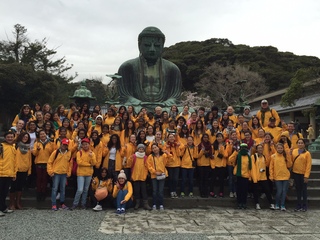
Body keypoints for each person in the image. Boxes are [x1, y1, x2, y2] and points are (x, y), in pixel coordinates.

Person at [118, 26, 182, 109]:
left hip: (163, 108)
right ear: (139, 45)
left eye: (157, 45)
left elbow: (175, 97)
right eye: (147, 45)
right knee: (123, 108)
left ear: (162, 46)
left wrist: (165, 104)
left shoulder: (172, 69)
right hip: (138, 107)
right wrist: (140, 103)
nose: (152, 49)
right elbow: (124, 96)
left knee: (185, 110)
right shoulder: (127, 67)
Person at [71, 138, 97, 210]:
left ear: (89, 145)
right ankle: (75, 204)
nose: (85, 146)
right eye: (83, 144)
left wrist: (91, 157)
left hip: (89, 173)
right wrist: (89, 165)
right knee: (80, 189)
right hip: (81, 173)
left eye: (86, 144)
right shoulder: (79, 153)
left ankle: (83, 204)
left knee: (86, 190)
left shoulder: (92, 153)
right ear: (81, 145)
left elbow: (94, 163)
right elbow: (79, 162)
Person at [47, 138, 72, 211]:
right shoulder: (55, 152)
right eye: (63, 144)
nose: (64, 146)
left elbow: (70, 164)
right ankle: (54, 204)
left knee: (63, 189)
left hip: (64, 173)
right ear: (60, 144)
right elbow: (49, 162)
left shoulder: (69, 153)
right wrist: (50, 172)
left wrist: (68, 172)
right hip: (56, 173)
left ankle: (62, 203)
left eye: (66, 145)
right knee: (54, 189)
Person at [10, 132, 31, 210]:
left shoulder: (28, 148)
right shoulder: (15, 146)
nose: (25, 138)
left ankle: (18, 203)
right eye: (24, 137)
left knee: (20, 187)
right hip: (16, 170)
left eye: (27, 137)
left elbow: (29, 159)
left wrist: (29, 170)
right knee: (13, 187)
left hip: (24, 169)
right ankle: (12, 203)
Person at [32, 130, 54, 201]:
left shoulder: (50, 143)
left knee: (45, 179)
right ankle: (39, 193)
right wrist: (37, 150)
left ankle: (44, 193)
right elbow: (34, 154)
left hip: (47, 163)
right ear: (39, 136)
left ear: (46, 134)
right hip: (38, 162)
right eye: (41, 134)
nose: (42, 135)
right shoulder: (37, 143)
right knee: (39, 179)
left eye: (43, 134)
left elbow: (52, 152)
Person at [269, 143, 292, 211]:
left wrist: (288, 156)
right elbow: (271, 167)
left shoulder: (285, 156)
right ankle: (277, 204)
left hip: (285, 176)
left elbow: (289, 165)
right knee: (279, 191)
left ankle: (282, 204)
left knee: (284, 191)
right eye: (278, 148)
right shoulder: (273, 156)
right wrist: (271, 175)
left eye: (281, 148)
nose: (280, 149)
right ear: (276, 148)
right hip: (277, 176)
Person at [147, 143, 169, 210]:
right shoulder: (150, 156)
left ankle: (161, 204)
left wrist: (168, 153)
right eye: (153, 148)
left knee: (160, 191)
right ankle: (154, 204)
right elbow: (149, 166)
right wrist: (155, 172)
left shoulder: (163, 155)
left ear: (158, 148)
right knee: (155, 190)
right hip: (154, 175)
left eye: (155, 147)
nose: (154, 149)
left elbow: (168, 161)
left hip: (162, 174)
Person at [128, 144, 151, 210]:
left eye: (142, 149)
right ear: (137, 149)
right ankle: (137, 203)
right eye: (140, 149)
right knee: (137, 191)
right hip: (135, 176)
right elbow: (130, 164)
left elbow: (147, 166)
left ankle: (145, 204)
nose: (141, 150)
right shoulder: (134, 156)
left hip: (143, 176)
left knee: (144, 191)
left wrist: (146, 174)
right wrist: (130, 158)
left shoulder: (145, 157)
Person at [251, 144, 274, 210]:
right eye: (259, 148)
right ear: (256, 149)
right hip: (256, 177)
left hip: (263, 177)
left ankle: (271, 203)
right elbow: (253, 167)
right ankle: (257, 204)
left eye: (261, 148)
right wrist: (254, 178)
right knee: (255, 191)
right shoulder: (253, 157)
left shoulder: (264, 157)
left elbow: (266, 164)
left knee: (267, 190)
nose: (260, 149)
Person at [291, 139, 312, 212]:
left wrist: (306, 176)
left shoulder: (307, 153)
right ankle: (298, 204)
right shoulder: (294, 151)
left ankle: (304, 205)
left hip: (303, 174)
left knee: (304, 190)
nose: (300, 144)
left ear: (304, 144)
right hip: (295, 173)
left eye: (301, 143)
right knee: (298, 190)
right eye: (299, 143)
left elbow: (308, 165)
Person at [0, 131, 17, 217]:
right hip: (1, 173)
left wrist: (14, 174)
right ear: (5, 137)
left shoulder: (13, 147)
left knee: (4, 192)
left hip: (9, 173)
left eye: (11, 137)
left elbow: (14, 162)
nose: (10, 138)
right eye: (8, 137)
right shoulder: (1, 146)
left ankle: (3, 208)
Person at [232, 143, 252, 209]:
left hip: (246, 176)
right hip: (238, 175)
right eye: (242, 148)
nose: (244, 149)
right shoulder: (237, 155)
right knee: (239, 190)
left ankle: (244, 203)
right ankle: (239, 203)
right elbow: (230, 160)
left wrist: (250, 176)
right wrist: (235, 152)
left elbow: (250, 167)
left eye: (245, 148)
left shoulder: (248, 157)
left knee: (244, 191)